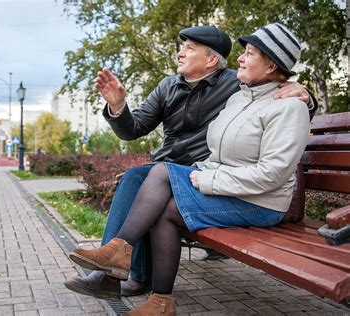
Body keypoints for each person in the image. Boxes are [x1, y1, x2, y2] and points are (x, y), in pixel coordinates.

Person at [68, 23, 311, 315]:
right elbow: (134, 128)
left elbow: (280, 101)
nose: (180, 53)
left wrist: (304, 92)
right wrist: (118, 107)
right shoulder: (174, 87)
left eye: (189, 48)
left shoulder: (236, 84)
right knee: (140, 177)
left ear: (211, 60)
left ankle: (120, 262)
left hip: (212, 178)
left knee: (156, 177)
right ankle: (124, 275)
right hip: (197, 173)